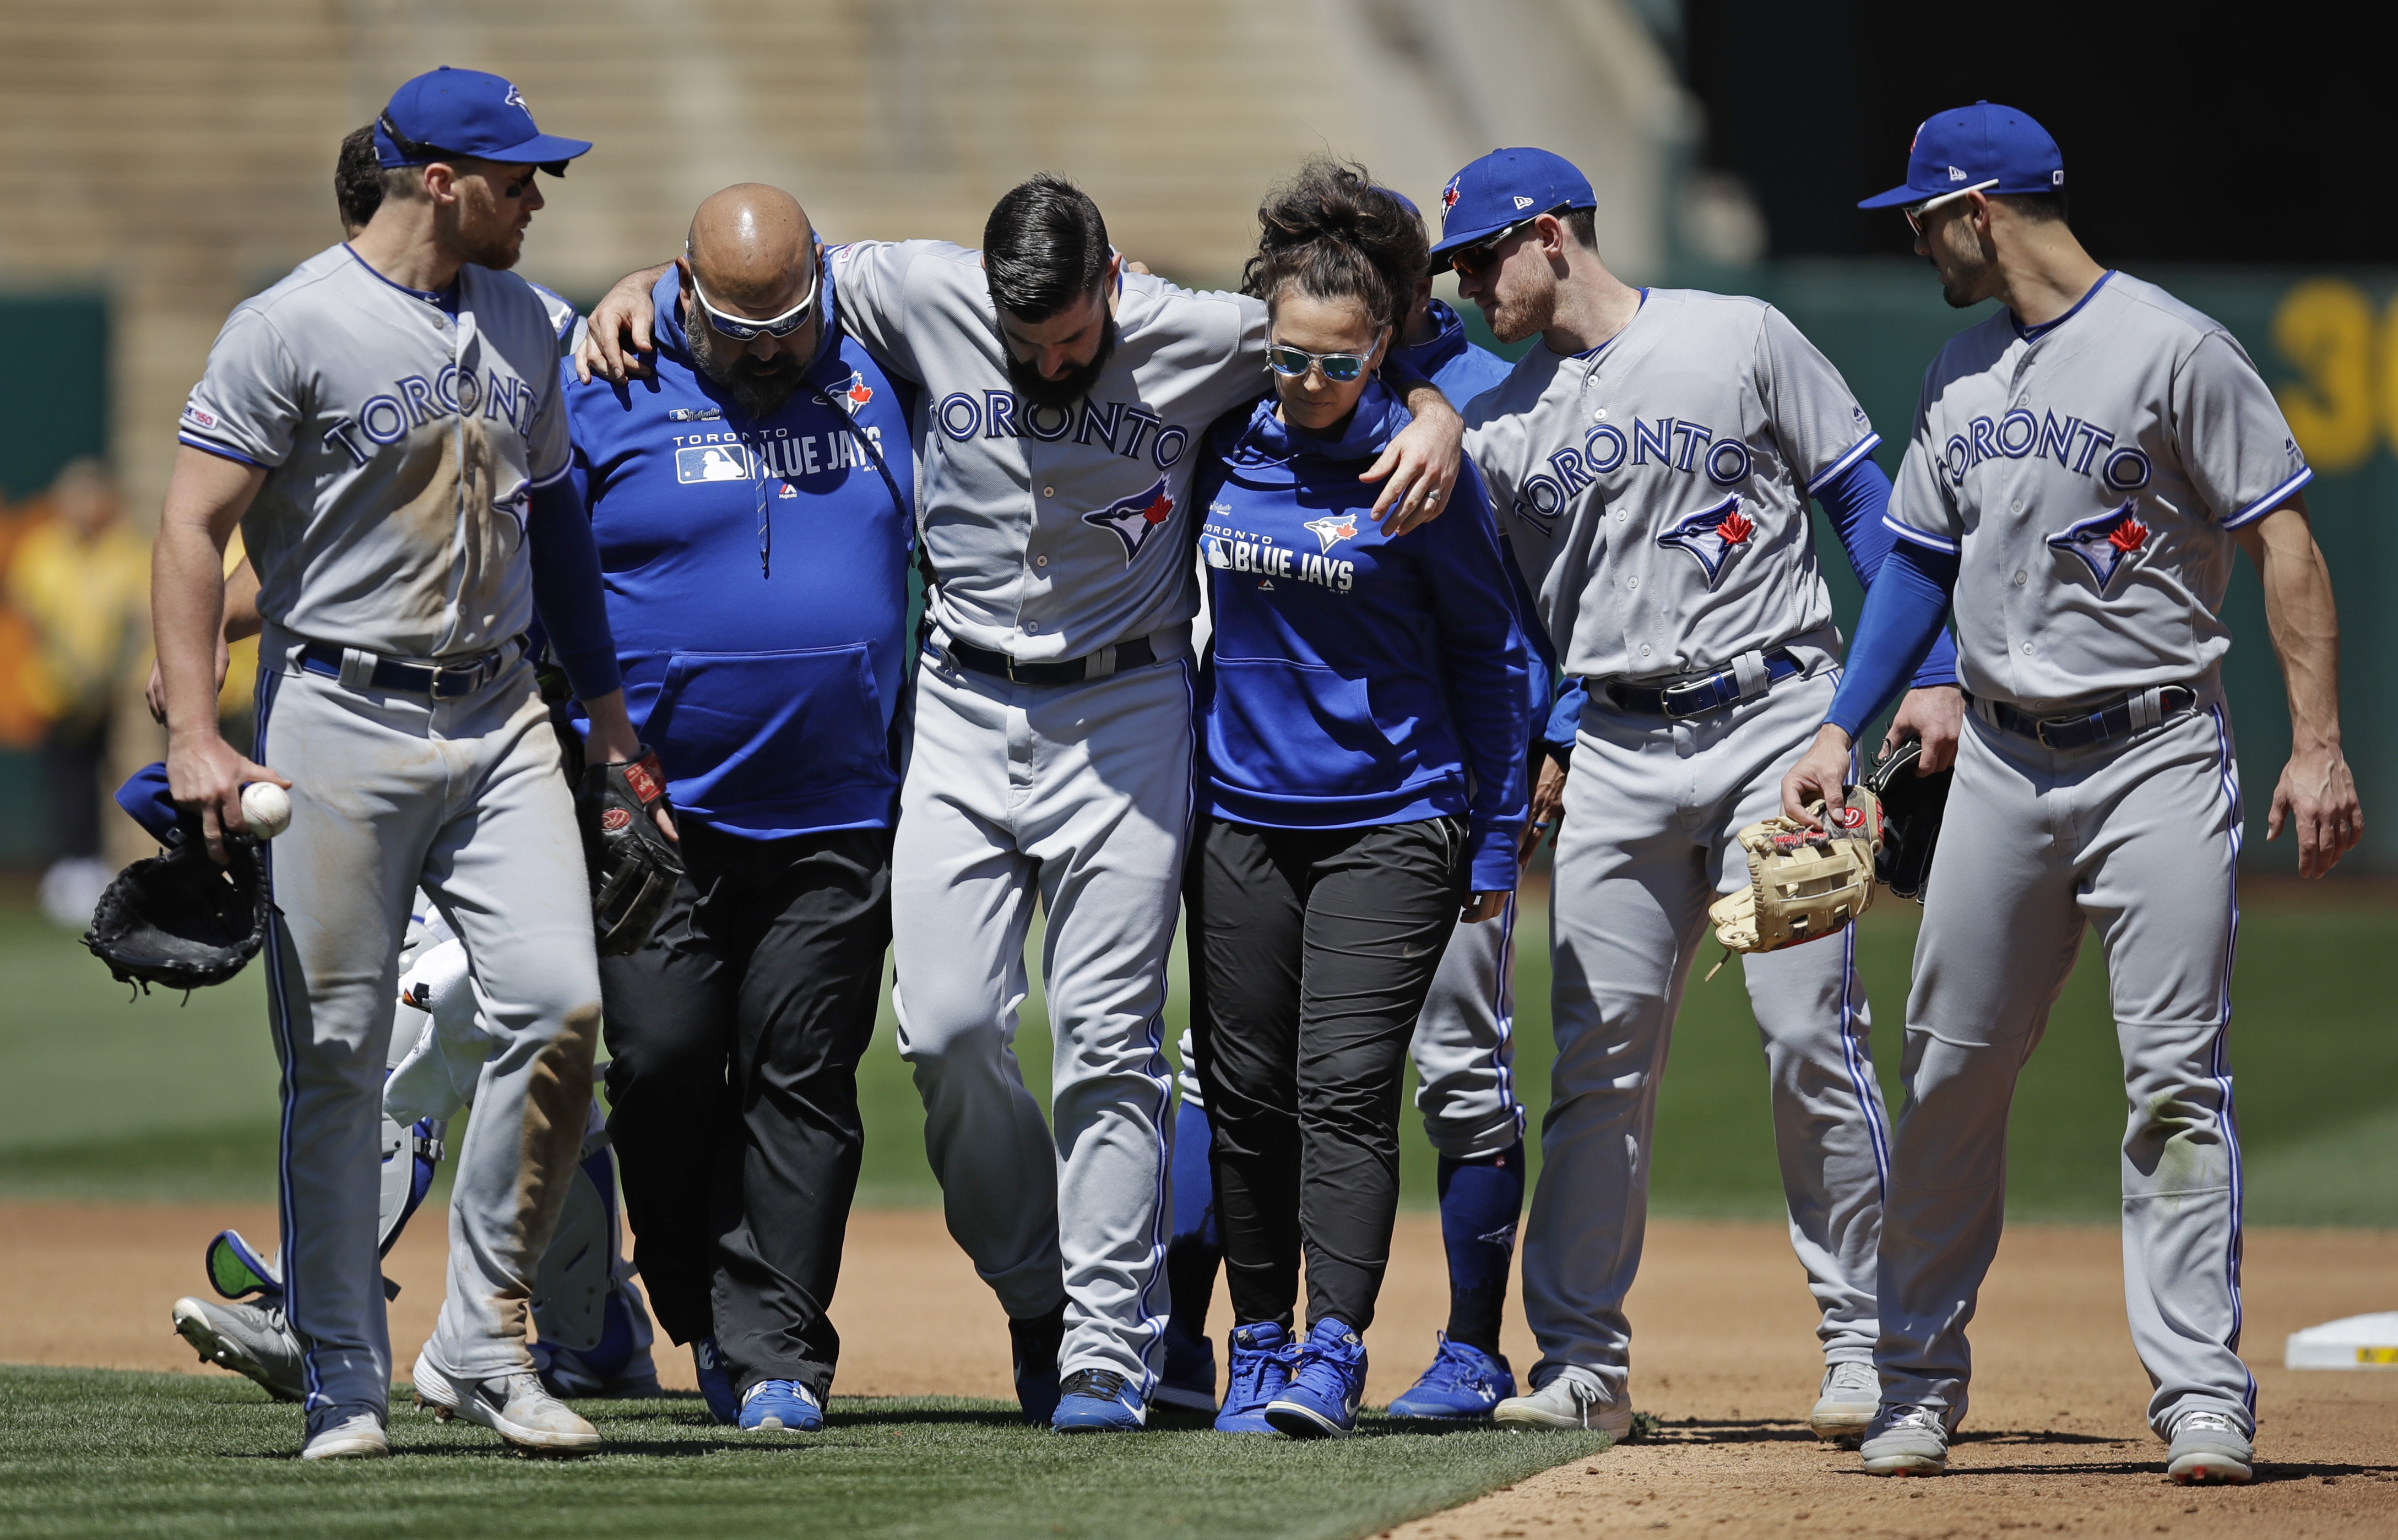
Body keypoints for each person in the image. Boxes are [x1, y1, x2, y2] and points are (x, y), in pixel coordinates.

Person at [577, 172, 1464, 1433]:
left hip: (1128, 704)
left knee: (1106, 1035)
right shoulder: (920, 291)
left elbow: (1371, 333)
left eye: (1072, 338)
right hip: (962, 701)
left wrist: (1432, 406)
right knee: (943, 1032)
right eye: (1024, 340)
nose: (1051, 361)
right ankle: (1038, 1292)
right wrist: (640, 292)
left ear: (1114, 284)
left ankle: (1106, 1345)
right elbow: (764, 281)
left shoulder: (1202, 334)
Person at [1783, 102, 2359, 1485]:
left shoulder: (2171, 347)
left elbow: (2284, 537)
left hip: (2157, 749)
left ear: (1981, 210)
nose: (1916, 238)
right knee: (1951, 1070)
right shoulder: (1960, 369)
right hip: (1997, 760)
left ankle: (2202, 1394)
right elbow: (1917, 562)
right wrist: (1838, 721)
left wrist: (2319, 742)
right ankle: (1916, 1379)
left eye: (1923, 216)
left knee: (2174, 1080)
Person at [154, 67, 649, 1460]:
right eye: (517, 176)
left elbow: (556, 528)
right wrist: (197, 729)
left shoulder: (527, 318)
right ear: (440, 179)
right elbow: (192, 526)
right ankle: (341, 1382)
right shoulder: (292, 323)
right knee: (335, 1056)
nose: (538, 195)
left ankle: (482, 1344)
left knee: (557, 1004)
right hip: (339, 718)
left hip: (498, 722)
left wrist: (603, 710)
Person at [1441, 146, 1961, 1440]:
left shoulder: (1738, 334)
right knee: (1595, 1064)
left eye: (1479, 255)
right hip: (1618, 747)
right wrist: (1556, 737)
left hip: (1776, 724)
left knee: (1808, 1036)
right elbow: (1539, 618)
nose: (1462, 284)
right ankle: (1581, 1361)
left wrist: (1929, 672)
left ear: (1552, 235)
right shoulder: (1499, 422)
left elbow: (1862, 502)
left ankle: (1869, 1343)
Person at [1157, 191, 1582, 1420]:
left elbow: (1493, 661)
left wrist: (1495, 841)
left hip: (1392, 818)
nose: (1305, 383)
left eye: (1335, 364)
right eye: (1285, 357)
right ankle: (1255, 1345)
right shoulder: (1225, 435)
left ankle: (1332, 1347)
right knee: (1242, 1096)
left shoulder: (1414, 461)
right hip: (1239, 818)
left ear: (1379, 349)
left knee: (1343, 1087)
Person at [563, 182, 915, 1435]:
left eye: (790, 318)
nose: (770, 347)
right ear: (678, 285)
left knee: (802, 1078)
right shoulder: (603, 370)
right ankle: (699, 1305)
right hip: (653, 814)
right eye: (736, 322)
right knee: (659, 1067)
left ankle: (778, 1353)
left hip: (834, 810)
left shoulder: (886, 359)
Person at [7, 458, 148, 925]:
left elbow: (132, 617)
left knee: (107, 774)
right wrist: (76, 673)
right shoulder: (42, 549)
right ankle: (69, 867)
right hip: (58, 688)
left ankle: (98, 864)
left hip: (106, 690)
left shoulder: (125, 549)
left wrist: (105, 676)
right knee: (65, 779)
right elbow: (39, 620)